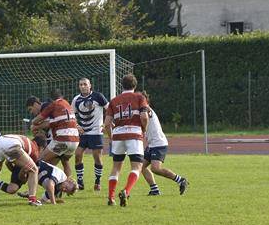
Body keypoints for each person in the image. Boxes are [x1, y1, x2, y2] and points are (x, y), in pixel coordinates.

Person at [103, 74, 149, 207]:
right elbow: (144, 117)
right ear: (135, 85)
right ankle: (126, 191)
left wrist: (111, 137)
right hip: (134, 134)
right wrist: (144, 129)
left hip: (118, 135)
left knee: (116, 168)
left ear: (122, 85)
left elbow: (106, 124)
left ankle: (111, 197)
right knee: (137, 167)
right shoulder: (140, 97)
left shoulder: (114, 100)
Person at [140, 99, 189, 195]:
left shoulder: (146, 109)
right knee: (141, 166)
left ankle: (181, 180)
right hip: (152, 144)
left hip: (159, 144)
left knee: (155, 168)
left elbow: (145, 117)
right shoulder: (142, 110)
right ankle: (154, 190)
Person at [0, 133, 41, 207]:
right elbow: (25, 174)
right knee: (34, 170)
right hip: (12, 145)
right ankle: (32, 199)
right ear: (41, 148)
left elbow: (8, 163)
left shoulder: (27, 141)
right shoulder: (35, 151)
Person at [31, 90, 79, 179]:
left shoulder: (53, 105)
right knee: (65, 161)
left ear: (51, 100)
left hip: (62, 141)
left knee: (39, 161)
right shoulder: (67, 104)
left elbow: (37, 120)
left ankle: (33, 188)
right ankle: (70, 185)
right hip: (75, 141)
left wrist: (34, 124)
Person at [71, 78, 108, 191]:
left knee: (97, 157)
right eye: (81, 85)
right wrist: (77, 126)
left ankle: (98, 181)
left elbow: (109, 109)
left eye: (85, 84)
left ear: (90, 85)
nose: (83, 86)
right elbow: (72, 116)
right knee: (77, 155)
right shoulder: (76, 100)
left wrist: (106, 124)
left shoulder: (98, 96)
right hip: (83, 133)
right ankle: (80, 182)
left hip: (96, 132)